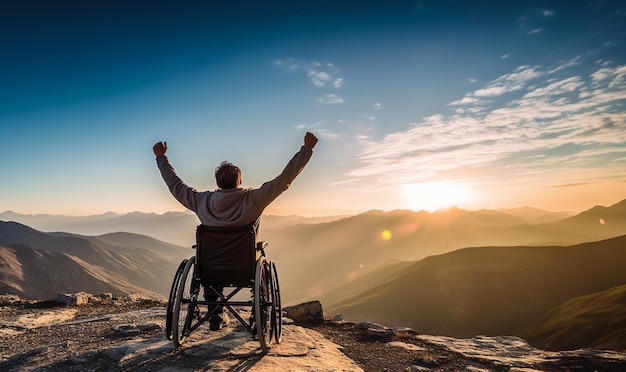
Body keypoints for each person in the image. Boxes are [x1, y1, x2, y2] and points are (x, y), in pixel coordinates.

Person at [153, 131, 318, 330]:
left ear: (217, 183)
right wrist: (306, 151)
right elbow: (284, 180)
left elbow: (176, 185)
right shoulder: (254, 199)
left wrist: (161, 158)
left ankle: (216, 315)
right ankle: (259, 319)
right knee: (260, 257)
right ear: (239, 181)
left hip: (211, 267)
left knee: (207, 260)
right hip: (245, 267)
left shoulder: (201, 201)